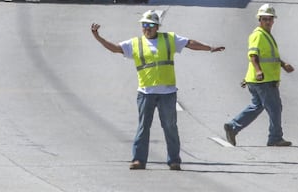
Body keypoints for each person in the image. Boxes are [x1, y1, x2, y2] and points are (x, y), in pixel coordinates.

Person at [90, 10, 225, 171]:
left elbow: (189, 43)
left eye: (150, 25)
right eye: (144, 25)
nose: (147, 28)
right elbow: (115, 48)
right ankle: (139, 160)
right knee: (143, 127)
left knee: (170, 127)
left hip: (167, 93)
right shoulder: (135, 43)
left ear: (157, 27)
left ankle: (174, 160)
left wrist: (209, 48)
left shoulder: (169, 39)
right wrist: (98, 37)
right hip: (145, 93)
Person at [223, 3, 294, 147]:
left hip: (260, 79)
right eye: (264, 19)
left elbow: (268, 56)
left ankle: (233, 126)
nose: (268, 21)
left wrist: (283, 64)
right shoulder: (258, 35)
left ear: (273, 20)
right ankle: (275, 137)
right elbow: (253, 55)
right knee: (275, 108)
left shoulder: (265, 35)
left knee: (257, 106)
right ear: (259, 20)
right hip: (263, 80)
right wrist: (258, 71)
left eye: (270, 19)